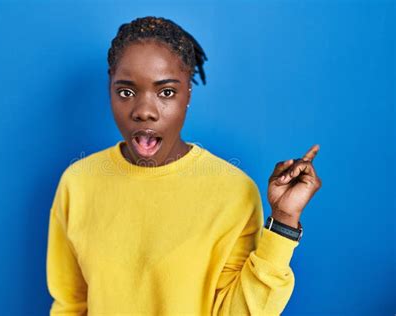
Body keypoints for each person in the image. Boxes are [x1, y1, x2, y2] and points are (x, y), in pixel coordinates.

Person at [46, 16, 322, 316]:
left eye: (166, 92)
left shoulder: (233, 192)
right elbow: (70, 306)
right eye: (126, 91)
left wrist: (283, 221)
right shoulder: (78, 183)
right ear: (110, 86)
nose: (144, 112)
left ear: (188, 92)